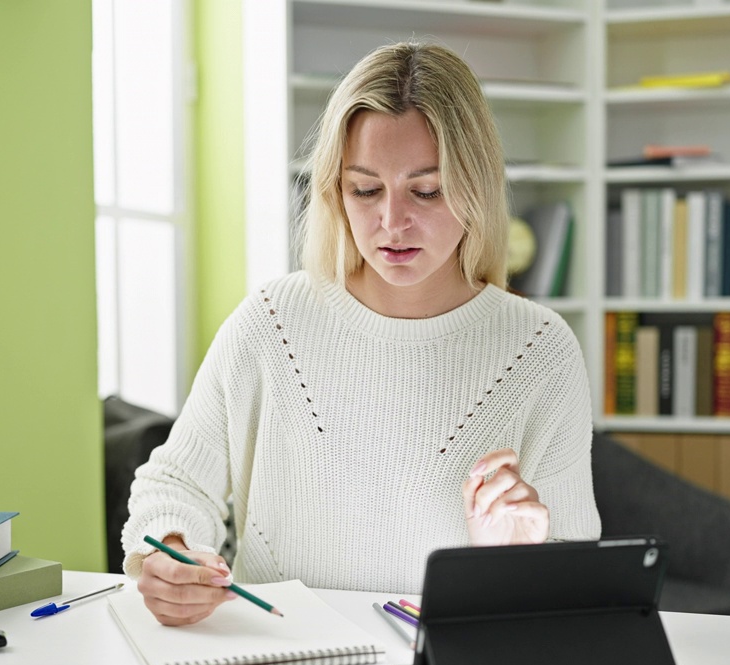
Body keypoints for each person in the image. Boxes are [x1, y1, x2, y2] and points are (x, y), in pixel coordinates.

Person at [121, 41, 600, 627]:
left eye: (426, 190)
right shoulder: (272, 322)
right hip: (276, 660)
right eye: (365, 189)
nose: (391, 222)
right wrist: (168, 550)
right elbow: (174, 483)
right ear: (333, 190)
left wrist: (515, 563)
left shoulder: (539, 350)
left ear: (476, 186)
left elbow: (574, 575)